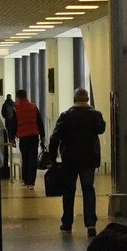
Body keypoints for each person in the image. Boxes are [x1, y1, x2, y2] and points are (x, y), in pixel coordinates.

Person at [48, 88, 106, 237]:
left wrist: (52, 156)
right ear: (87, 99)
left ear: (74, 99)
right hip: (89, 159)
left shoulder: (66, 116)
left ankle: (67, 223)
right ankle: (91, 224)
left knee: (69, 191)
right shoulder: (95, 115)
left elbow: (55, 137)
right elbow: (101, 129)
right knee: (88, 189)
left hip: (70, 160)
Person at [13, 89, 44, 190]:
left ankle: (25, 180)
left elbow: (13, 125)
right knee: (32, 159)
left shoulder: (16, 109)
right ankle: (31, 183)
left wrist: (12, 138)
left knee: (25, 158)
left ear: (17, 97)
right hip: (34, 136)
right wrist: (42, 136)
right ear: (26, 96)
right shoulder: (34, 107)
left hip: (23, 137)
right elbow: (39, 122)